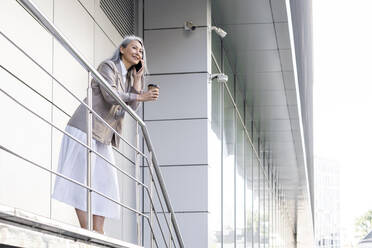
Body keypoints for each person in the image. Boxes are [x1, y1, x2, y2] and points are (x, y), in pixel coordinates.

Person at [52, 35, 159, 234]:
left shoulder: (128, 78)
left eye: (141, 51)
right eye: (134, 48)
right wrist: (141, 95)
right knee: (81, 179)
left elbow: (130, 109)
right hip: (85, 127)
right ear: (122, 49)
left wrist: (137, 81)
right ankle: (87, 230)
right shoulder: (107, 67)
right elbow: (110, 96)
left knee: (104, 182)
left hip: (103, 135)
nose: (138, 53)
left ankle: (98, 231)